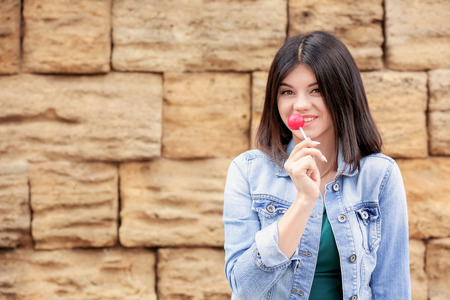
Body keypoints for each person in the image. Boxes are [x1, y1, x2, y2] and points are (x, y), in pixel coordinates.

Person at [223, 31, 411, 300]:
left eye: (316, 90)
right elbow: (244, 288)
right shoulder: (248, 171)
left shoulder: (380, 176)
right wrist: (303, 201)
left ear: (342, 93)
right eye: (287, 91)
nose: (299, 105)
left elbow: (392, 290)